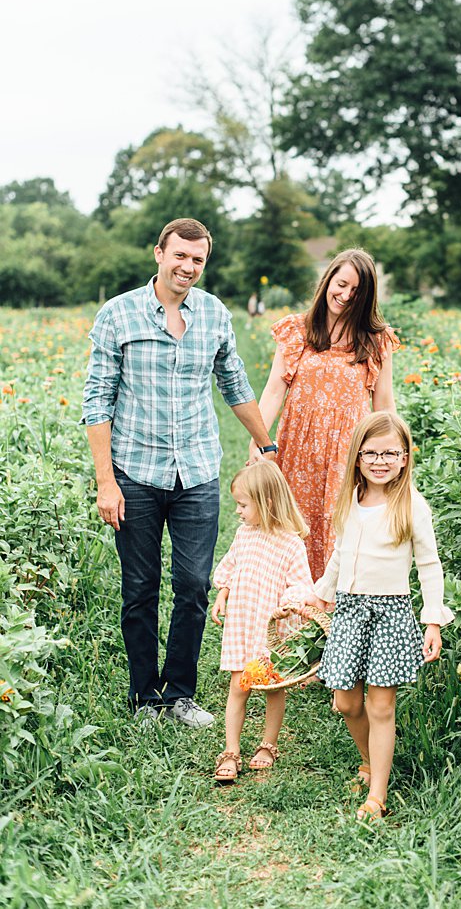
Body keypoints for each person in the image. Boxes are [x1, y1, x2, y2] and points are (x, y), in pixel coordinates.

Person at [82, 218, 279, 726]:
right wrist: (106, 481)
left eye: (198, 260)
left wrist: (266, 443)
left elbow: (234, 383)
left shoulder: (214, 314)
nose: (188, 267)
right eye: (180, 257)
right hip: (134, 472)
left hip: (195, 470)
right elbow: (97, 401)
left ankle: (180, 694)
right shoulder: (117, 315)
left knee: (193, 584)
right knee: (141, 588)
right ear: (159, 254)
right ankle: (145, 697)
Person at [304, 411, 452, 822]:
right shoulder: (351, 501)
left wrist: (432, 619)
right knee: (347, 702)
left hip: (390, 612)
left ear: (405, 458)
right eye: (372, 452)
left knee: (381, 707)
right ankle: (369, 759)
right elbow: (339, 555)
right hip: (350, 610)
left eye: (391, 452)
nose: (381, 460)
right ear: (357, 457)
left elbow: (429, 566)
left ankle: (377, 794)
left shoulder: (411, 506)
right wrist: (319, 594)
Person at [256, 249, 398, 580]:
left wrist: (391, 456)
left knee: (341, 533)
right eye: (342, 284)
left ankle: (333, 622)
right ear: (327, 280)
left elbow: (385, 405)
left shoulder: (376, 340)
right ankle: (291, 619)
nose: (346, 296)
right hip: (298, 449)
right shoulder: (298, 330)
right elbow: (274, 390)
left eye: (357, 292)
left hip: (347, 455)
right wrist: (259, 440)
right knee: (293, 528)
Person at [209, 462, 316, 784]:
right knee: (239, 686)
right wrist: (222, 594)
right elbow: (229, 566)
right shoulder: (244, 536)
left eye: (243, 504)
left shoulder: (290, 544)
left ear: (267, 502)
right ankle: (231, 749)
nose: (238, 512)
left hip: (271, 631)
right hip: (243, 624)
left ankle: (268, 744)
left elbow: (301, 584)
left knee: (273, 688)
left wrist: (290, 603)